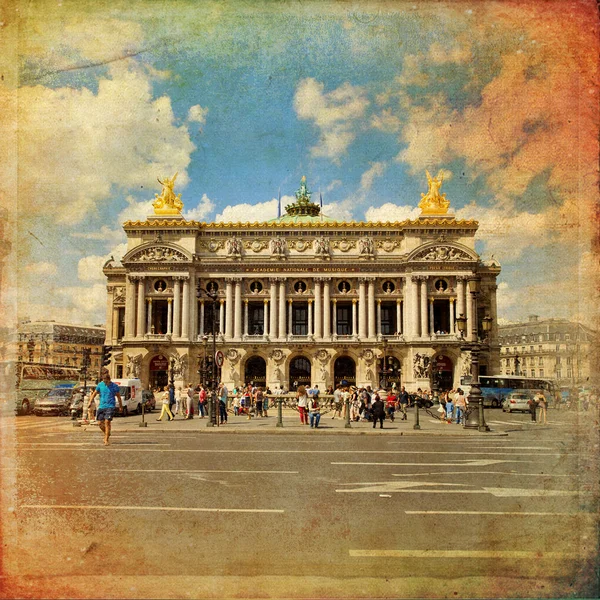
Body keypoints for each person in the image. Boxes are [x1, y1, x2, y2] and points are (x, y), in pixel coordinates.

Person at [89, 370, 123, 446]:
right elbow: (94, 393)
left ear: (109, 380)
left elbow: (118, 397)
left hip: (110, 406)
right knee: (100, 423)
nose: (105, 383)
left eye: (106, 381)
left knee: (107, 422)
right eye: (104, 381)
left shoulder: (114, 386)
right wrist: (90, 402)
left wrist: (120, 406)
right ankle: (107, 433)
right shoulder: (100, 385)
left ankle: (106, 440)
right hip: (101, 406)